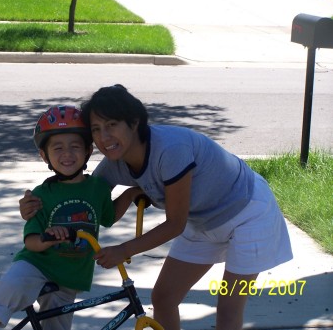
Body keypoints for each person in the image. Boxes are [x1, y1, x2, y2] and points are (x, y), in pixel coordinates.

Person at [19, 85, 293, 330]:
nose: (104, 137)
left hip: (248, 212)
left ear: (134, 122)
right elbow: (78, 197)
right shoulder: (115, 163)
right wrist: (34, 207)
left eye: (112, 125)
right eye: (96, 129)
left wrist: (124, 249)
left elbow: (175, 224)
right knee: (163, 298)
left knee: (229, 306)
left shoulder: (170, 150)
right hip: (202, 221)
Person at [0, 105, 140, 330]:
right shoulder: (41, 195)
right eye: (58, 148)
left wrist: (131, 193)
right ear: (45, 156)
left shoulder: (98, 188)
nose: (67, 154)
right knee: (9, 288)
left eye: (75, 146)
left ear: (88, 151)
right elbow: (31, 243)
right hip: (37, 265)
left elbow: (108, 217)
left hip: (70, 276)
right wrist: (48, 238)